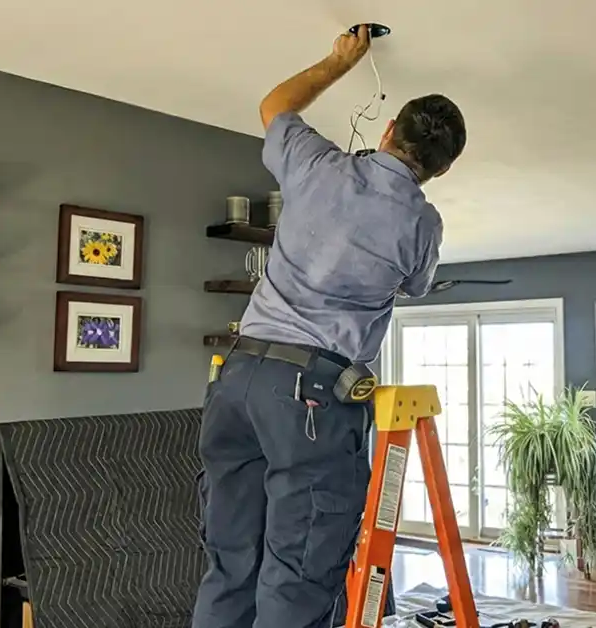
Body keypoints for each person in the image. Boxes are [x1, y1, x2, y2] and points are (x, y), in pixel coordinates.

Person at [193, 25, 466, 628]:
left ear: (388, 130)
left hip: (237, 381)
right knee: (298, 580)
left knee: (230, 565)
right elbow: (415, 286)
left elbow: (274, 106)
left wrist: (341, 61)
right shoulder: (422, 222)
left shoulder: (316, 165)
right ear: (440, 171)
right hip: (310, 398)